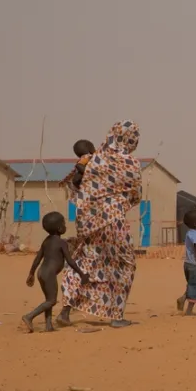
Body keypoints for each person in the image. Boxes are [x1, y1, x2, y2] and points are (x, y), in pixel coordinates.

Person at [57, 120, 143, 329]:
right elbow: (135, 195)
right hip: (113, 221)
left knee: (86, 261)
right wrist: (119, 203)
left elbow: (75, 185)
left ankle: (65, 310)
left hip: (88, 222)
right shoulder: (130, 163)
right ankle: (116, 315)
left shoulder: (92, 161)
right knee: (124, 264)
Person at [22, 212, 89, 333]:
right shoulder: (61, 243)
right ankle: (29, 316)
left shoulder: (46, 241)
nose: (65, 225)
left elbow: (38, 258)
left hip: (41, 272)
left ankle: (49, 326)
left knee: (48, 299)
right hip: (49, 274)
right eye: (63, 223)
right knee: (52, 301)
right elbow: (70, 261)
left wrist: (31, 273)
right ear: (59, 228)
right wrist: (81, 274)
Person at [176, 210, 196, 316]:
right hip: (195, 265)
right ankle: (189, 311)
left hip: (188, 264)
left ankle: (183, 298)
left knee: (192, 284)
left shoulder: (190, 233)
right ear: (195, 224)